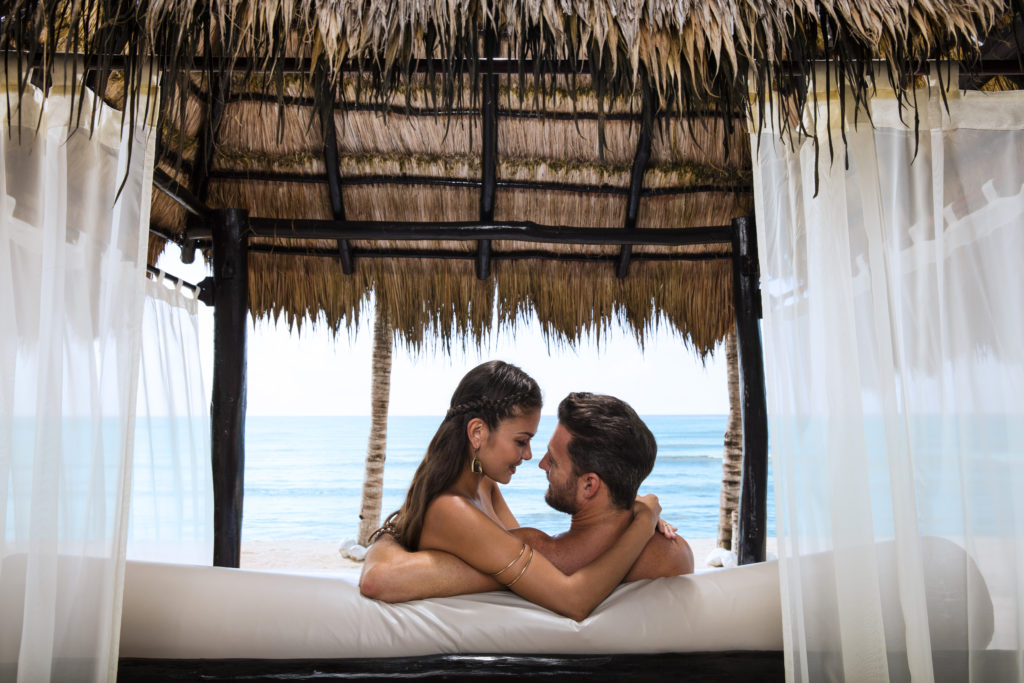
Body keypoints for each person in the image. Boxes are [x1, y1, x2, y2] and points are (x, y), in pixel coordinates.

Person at [360, 361, 663, 621]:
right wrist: (643, 521)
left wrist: (621, 505)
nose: (530, 455)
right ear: (478, 432)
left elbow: (525, 565)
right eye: (521, 441)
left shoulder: (485, 485)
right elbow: (573, 601)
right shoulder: (452, 510)